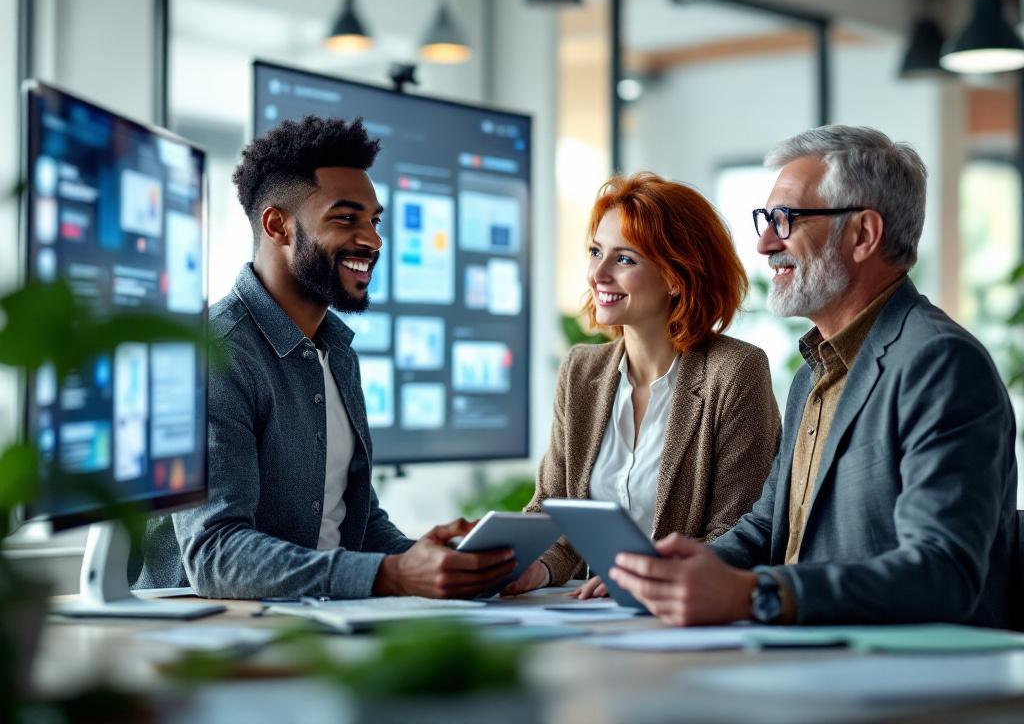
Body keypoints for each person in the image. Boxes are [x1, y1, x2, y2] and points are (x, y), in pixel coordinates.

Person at [609, 126, 1018, 627]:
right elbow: (768, 527)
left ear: (863, 235)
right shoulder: (816, 371)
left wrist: (754, 593)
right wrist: (672, 569)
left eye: (785, 219)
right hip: (813, 657)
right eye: (766, 219)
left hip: (909, 680)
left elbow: (942, 571)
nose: (763, 244)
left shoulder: (940, 363)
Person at [134, 116, 515, 599]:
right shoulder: (215, 354)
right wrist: (390, 576)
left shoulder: (336, 351)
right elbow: (215, 553)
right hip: (210, 636)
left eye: (374, 221)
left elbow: (353, 520)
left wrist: (422, 560)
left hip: (315, 621)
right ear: (278, 225)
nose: (373, 240)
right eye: (345, 218)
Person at [506, 172, 780, 597]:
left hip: (684, 613)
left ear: (676, 276)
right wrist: (533, 568)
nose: (598, 273)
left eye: (624, 259)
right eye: (596, 251)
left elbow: (740, 531)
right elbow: (553, 512)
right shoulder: (580, 372)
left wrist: (646, 577)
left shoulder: (736, 370)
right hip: (588, 617)